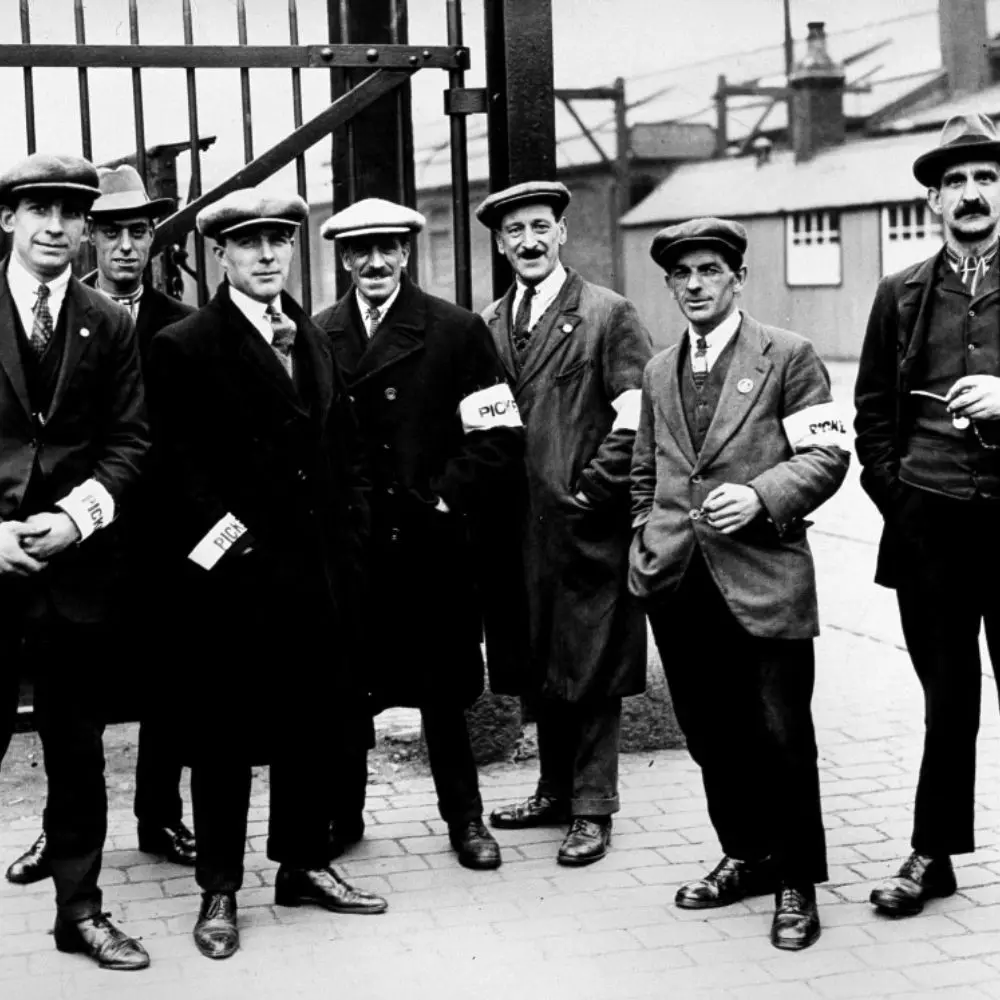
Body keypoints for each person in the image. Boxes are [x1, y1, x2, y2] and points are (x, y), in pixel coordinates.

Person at [145, 187, 386, 961]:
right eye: (249, 242)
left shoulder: (309, 332)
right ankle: (219, 888)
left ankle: (302, 865)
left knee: (313, 725)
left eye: (279, 240)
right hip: (236, 586)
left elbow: (344, 445)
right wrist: (234, 548)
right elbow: (177, 472)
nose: (268, 254)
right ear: (219, 254)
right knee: (223, 739)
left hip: (319, 575)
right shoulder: (186, 345)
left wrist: (351, 532)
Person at [630, 217, 849, 950]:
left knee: (782, 734)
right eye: (682, 274)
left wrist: (761, 495)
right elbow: (644, 470)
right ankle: (747, 855)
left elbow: (826, 457)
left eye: (710, 271)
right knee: (710, 733)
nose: (695, 285)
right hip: (678, 581)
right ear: (670, 284)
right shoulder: (659, 370)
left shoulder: (788, 355)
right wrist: (645, 537)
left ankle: (795, 882)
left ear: (738, 278)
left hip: (762, 577)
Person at [313, 197, 524, 871]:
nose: (375, 262)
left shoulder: (456, 330)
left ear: (406, 252)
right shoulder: (320, 334)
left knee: (442, 691)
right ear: (344, 258)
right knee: (349, 688)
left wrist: (442, 498)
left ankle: (465, 819)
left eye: (388, 248)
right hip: (356, 548)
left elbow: (498, 437)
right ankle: (343, 815)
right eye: (361, 250)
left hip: (430, 546)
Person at [5, 165, 195, 889]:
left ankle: (159, 816)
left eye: (137, 231)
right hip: (65, 544)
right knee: (68, 716)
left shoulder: (176, 323)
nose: (124, 246)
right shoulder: (67, 310)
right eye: (111, 231)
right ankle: (57, 835)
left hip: (152, 537)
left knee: (159, 684)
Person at [0, 153, 150, 970]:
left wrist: (74, 519)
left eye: (70, 213)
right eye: (39, 209)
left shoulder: (108, 323)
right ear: (8, 219)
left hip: (76, 575)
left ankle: (80, 911)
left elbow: (130, 442)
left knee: (76, 753)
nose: (55, 226)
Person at [478, 181, 652, 866]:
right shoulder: (490, 322)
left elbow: (637, 414)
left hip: (585, 525)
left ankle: (593, 807)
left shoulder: (607, 314)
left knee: (593, 662)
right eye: (514, 231)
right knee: (541, 657)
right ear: (501, 244)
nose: (528, 241)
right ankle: (554, 791)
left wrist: (592, 490)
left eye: (539, 227)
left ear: (561, 234)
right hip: (519, 530)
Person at [856, 112, 1000, 918]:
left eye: (987, 178)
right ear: (934, 201)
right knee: (948, 702)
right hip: (932, 530)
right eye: (956, 181)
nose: (972, 193)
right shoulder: (902, 293)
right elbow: (872, 412)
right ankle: (932, 855)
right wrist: (901, 496)